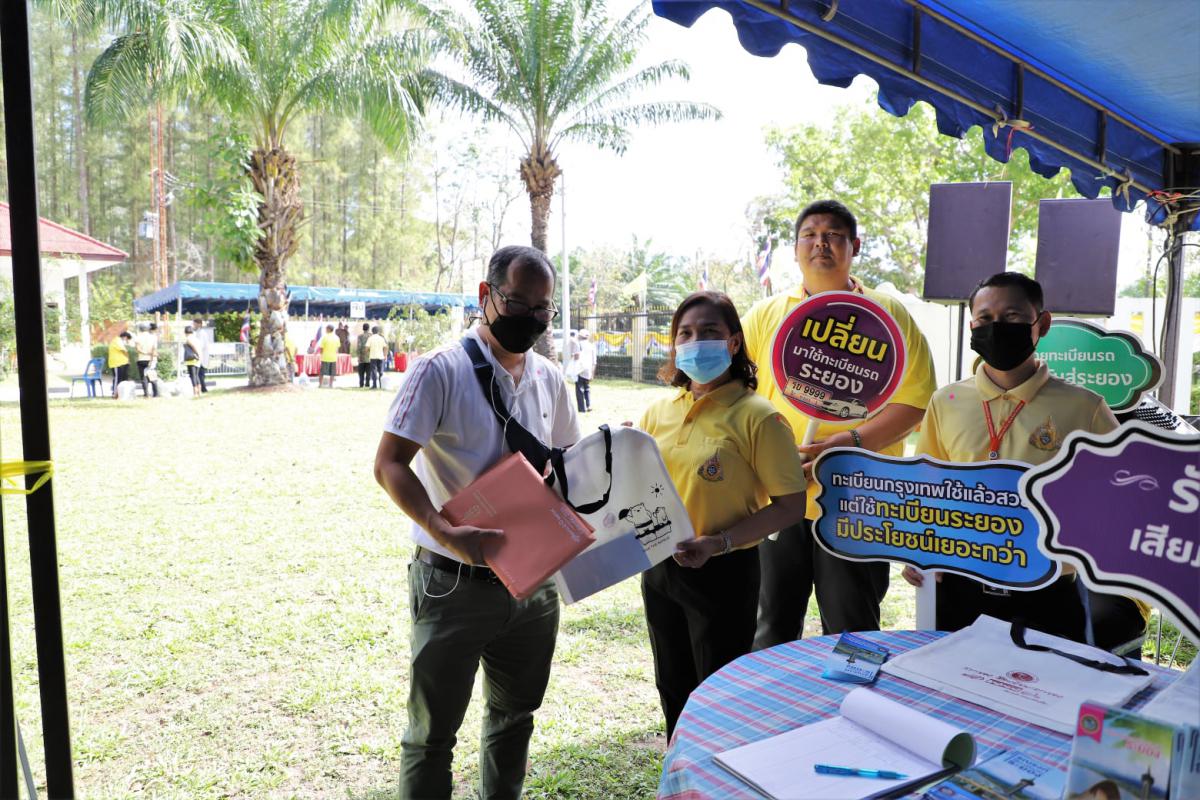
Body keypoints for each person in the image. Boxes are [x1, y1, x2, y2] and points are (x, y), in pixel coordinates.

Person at [374, 245, 577, 800]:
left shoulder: (551, 379)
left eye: (542, 308)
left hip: (532, 586)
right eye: (518, 303)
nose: (530, 318)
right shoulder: (440, 370)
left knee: (515, 717)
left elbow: (566, 466)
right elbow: (389, 464)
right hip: (452, 582)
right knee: (432, 735)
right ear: (486, 295)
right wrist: (442, 529)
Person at [743, 200, 937, 646]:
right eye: (809, 235)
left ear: (855, 246)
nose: (820, 244)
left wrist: (847, 443)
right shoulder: (766, 315)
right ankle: (777, 694)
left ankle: (853, 694)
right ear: (795, 248)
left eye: (833, 235)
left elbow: (914, 403)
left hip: (857, 501)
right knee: (771, 626)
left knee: (854, 631)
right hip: (777, 497)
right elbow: (737, 395)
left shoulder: (888, 316)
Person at [903, 272, 1123, 642]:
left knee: (1050, 678)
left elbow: (1116, 497)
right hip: (960, 584)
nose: (997, 327)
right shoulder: (947, 401)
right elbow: (925, 488)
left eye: (1012, 317)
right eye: (985, 319)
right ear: (973, 327)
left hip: (1048, 591)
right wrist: (918, 550)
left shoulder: (1084, 407)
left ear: (1042, 324)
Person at [636, 291, 809, 739]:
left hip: (724, 572)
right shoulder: (658, 413)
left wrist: (719, 543)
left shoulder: (759, 417)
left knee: (717, 695)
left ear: (733, 342)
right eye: (685, 333)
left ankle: (717, 771)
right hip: (660, 569)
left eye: (709, 331)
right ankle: (679, 769)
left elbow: (790, 505)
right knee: (672, 684)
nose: (696, 342)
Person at [572, 329, 597, 412]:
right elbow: (594, 362)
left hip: (580, 369)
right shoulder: (592, 346)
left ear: (580, 336)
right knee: (587, 388)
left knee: (579, 389)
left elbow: (576, 357)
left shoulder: (578, 344)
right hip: (589, 370)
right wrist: (592, 374)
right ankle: (589, 405)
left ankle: (582, 408)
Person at [135, 322, 159, 398]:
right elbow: (154, 349)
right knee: (152, 376)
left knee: (143, 377)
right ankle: (156, 394)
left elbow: (138, 349)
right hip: (152, 359)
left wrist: (145, 353)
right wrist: (151, 356)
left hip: (141, 359)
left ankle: (146, 394)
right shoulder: (153, 337)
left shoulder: (138, 337)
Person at [107, 329, 132, 397]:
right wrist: (128, 358)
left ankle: (122, 394)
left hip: (122, 362)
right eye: (127, 340)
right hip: (117, 363)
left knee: (123, 379)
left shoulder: (119, 341)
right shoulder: (117, 340)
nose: (127, 341)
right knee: (117, 378)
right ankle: (115, 393)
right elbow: (124, 351)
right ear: (125, 337)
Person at [182, 325, 203, 398]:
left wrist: (197, 354)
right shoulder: (196, 338)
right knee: (196, 375)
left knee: (192, 376)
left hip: (191, 359)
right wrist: (200, 356)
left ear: (185, 332)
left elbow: (193, 347)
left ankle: (195, 393)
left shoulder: (188, 339)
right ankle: (199, 392)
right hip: (197, 359)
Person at [193, 318, 211, 393]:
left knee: (200, 374)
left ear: (199, 324)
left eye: (194, 324)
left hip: (202, 356)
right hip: (200, 355)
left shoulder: (201, 333)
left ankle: (203, 389)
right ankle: (202, 388)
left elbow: (201, 345)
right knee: (199, 373)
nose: (193, 325)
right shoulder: (198, 332)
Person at [356, 323, 373, 388]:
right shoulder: (371, 336)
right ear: (368, 328)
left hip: (362, 357)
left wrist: (358, 356)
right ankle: (367, 384)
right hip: (370, 356)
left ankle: (361, 384)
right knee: (368, 371)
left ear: (363, 328)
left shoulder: (360, 336)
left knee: (361, 372)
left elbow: (359, 347)